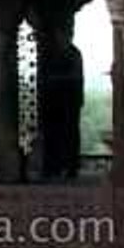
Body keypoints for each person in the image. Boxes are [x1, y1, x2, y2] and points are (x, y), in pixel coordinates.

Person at [40, 25, 84, 180]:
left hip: (69, 101)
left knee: (70, 134)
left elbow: (75, 76)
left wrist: (55, 78)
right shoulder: (51, 54)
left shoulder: (73, 54)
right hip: (53, 101)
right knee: (52, 135)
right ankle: (53, 168)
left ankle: (71, 167)